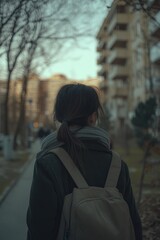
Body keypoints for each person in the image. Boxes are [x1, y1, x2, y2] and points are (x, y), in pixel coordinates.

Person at [26, 83, 142, 240]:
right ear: (93, 117)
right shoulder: (117, 164)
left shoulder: (48, 164)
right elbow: (134, 225)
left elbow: (39, 230)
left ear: (59, 116)